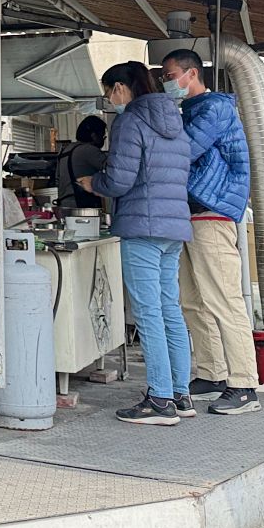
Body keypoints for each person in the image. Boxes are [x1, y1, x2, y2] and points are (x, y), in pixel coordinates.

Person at [79, 61, 195, 426]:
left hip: (142, 226)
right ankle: (180, 394)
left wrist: (94, 183)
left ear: (119, 88)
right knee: (170, 310)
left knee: (148, 314)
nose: (109, 100)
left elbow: (120, 179)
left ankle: (159, 399)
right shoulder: (174, 121)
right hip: (173, 227)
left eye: (108, 92)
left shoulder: (130, 121)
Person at [161, 48, 260, 415]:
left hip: (212, 211)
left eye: (170, 75)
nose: (167, 82)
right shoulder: (190, 109)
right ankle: (212, 373)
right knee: (192, 299)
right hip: (190, 213)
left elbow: (184, 150)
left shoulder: (213, 107)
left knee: (223, 300)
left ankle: (244, 384)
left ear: (191, 73)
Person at [56, 116, 108, 214]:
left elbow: (57, 178)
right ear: (94, 135)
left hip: (64, 204)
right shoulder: (89, 150)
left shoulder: (66, 150)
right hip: (81, 206)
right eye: (102, 136)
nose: (103, 139)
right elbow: (113, 168)